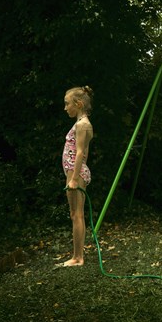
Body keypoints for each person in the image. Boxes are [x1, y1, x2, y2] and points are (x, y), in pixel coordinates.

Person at [60, 86, 94, 267]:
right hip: (74, 171)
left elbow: (81, 153)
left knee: (77, 215)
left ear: (78, 104)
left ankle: (78, 258)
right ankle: (77, 256)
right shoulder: (82, 123)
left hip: (76, 172)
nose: (65, 108)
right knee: (75, 214)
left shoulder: (83, 125)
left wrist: (73, 178)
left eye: (67, 104)